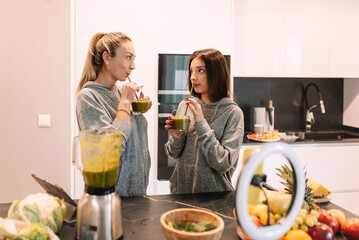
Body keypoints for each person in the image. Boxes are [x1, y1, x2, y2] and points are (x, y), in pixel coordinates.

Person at [76, 32, 151, 197]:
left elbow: (130, 134)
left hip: (136, 192)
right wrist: (125, 103)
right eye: (128, 58)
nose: (133, 66)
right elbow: (108, 151)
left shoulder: (118, 92)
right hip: (112, 197)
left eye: (134, 59)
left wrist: (137, 111)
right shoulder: (88, 97)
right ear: (107, 58)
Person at [164, 48, 244, 194]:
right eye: (191, 71)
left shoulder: (233, 113)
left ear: (217, 74)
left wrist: (201, 123)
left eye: (200, 71)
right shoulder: (185, 105)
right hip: (182, 193)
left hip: (214, 197)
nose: (193, 77)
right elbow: (173, 154)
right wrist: (177, 138)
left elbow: (223, 163)